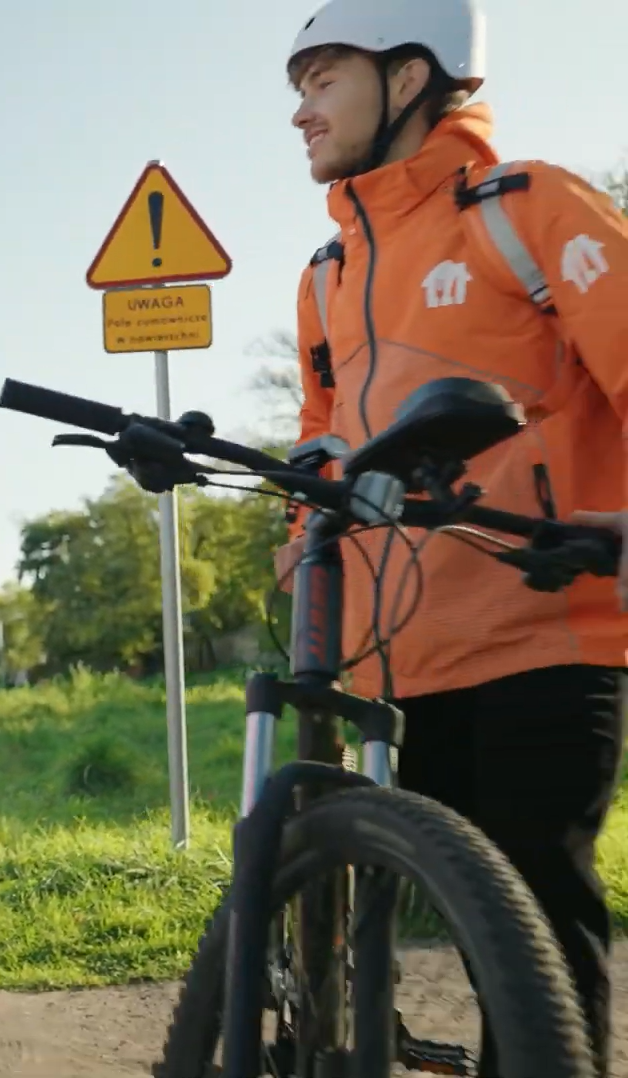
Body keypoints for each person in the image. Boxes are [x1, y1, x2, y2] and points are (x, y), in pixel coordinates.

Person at [281, 0, 628, 1069]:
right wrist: (301, 542)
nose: (298, 111)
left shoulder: (527, 208)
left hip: (545, 629)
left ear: (409, 75)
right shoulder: (326, 273)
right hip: (399, 658)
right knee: (449, 928)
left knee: (530, 935)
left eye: (320, 79)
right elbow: (319, 438)